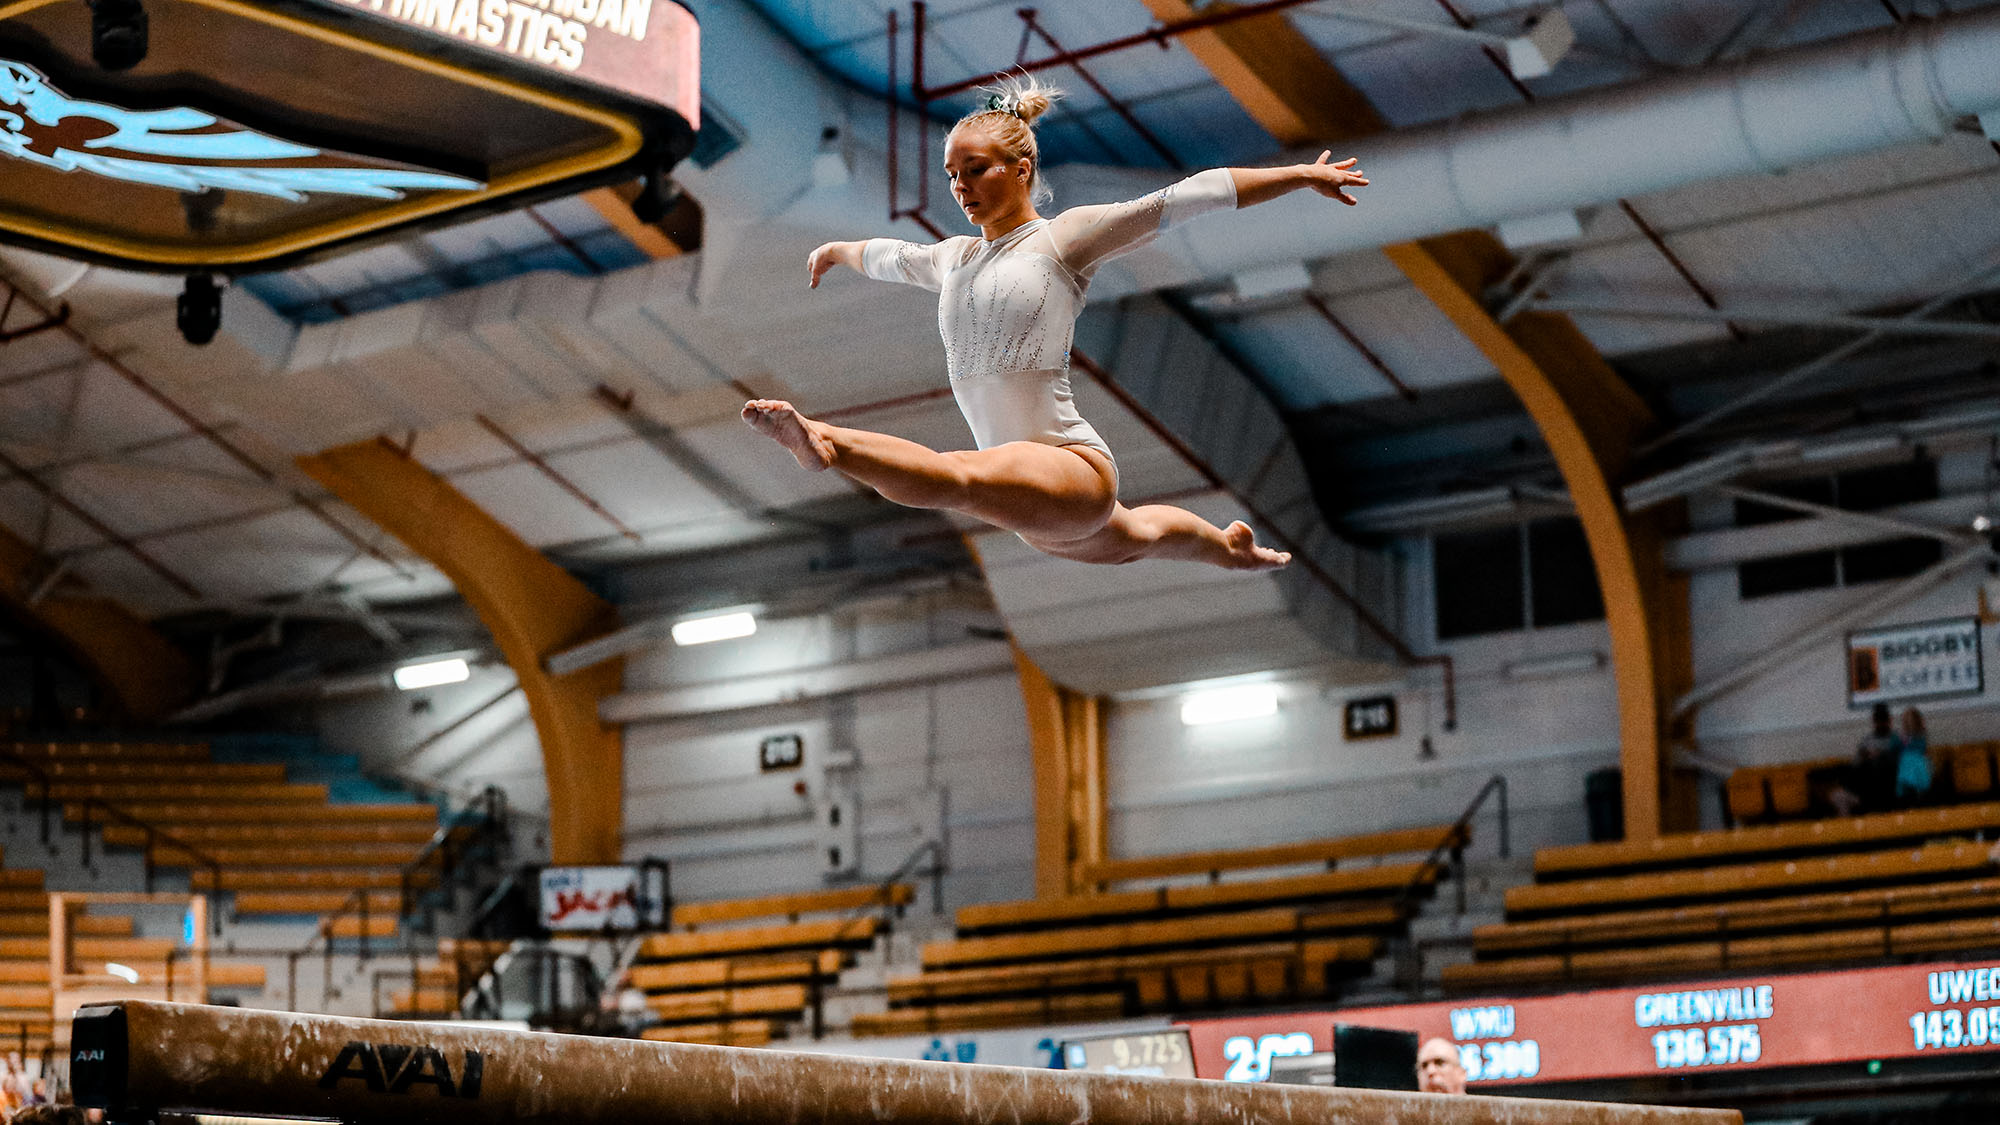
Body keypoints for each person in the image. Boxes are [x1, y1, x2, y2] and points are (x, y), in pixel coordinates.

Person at [744, 77, 1368, 572]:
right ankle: (1229, 549)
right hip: (1032, 505)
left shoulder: (1061, 239)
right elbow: (888, 255)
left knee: (956, 477)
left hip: (1068, 467)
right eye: (953, 175)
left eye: (976, 169)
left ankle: (825, 442)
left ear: (1020, 170)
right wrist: (837, 250)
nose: (961, 187)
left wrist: (1300, 175)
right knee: (1138, 536)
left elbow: (1191, 195)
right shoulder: (953, 258)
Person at [1895, 706, 1932, 805]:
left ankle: (1915, 788)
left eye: (1912, 721)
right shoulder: (1900, 737)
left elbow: (1922, 750)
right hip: (1906, 762)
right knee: (1907, 761)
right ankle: (1909, 788)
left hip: (1918, 762)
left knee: (1914, 762)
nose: (1910, 724)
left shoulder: (1921, 736)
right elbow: (1897, 749)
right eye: (1907, 721)